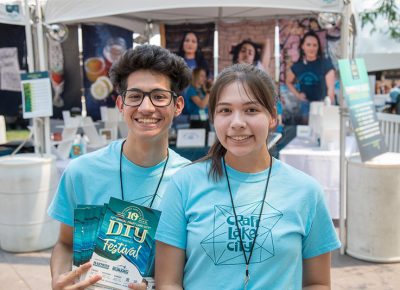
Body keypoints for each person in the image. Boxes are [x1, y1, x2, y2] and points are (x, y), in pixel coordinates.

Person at [155, 64, 341, 290]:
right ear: (213, 117)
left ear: (273, 116)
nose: (237, 123)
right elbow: (168, 282)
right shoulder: (184, 184)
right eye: (225, 111)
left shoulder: (306, 191)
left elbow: (317, 283)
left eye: (251, 110)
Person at [47, 44, 192, 290]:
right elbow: (65, 243)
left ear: (177, 106)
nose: (146, 108)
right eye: (135, 96)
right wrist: (59, 280)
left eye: (158, 96)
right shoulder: (81, 172)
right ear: (121, 104)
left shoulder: (190, 180)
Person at [286, 31, 335, 124]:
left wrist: (329, 108)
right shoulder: (298, 66)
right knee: (307, 130)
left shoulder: (325, 63)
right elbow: (288, 81)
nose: (311, 48)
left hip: (322, 104)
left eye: (314, 45)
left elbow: (331, 89)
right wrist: (298, 95)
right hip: (306, 104)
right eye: (308, 45)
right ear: (302, 46)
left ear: (318, 47)